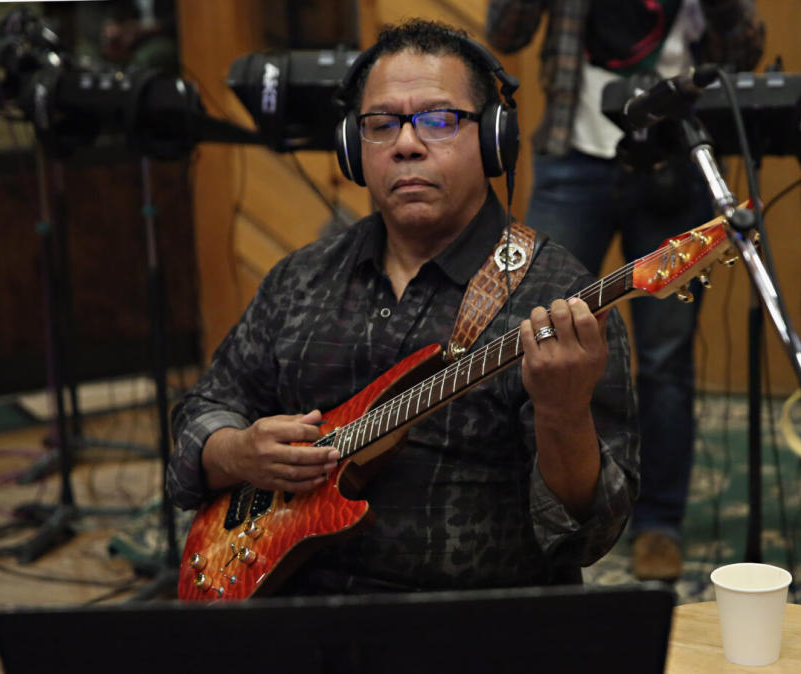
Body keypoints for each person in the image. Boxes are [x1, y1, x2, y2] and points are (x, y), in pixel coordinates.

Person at [167, 18, 639, 595]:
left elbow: (589, 536)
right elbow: (203, 409)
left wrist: (563, 414)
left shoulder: (558, 298)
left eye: (439, 121)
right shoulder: (301, 279)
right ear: (352, 148)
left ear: (493, 139)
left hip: (469, 627)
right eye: (381, 125)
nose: (407, 144)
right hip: (289, 607)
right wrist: (236, 451)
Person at [486, 0, 765, 581]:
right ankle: (522, 509)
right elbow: (504, 32)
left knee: (665, 358)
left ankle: (658, 523)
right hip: (571, 156)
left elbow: (744, 51)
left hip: (672, 159)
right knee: (529, 333)